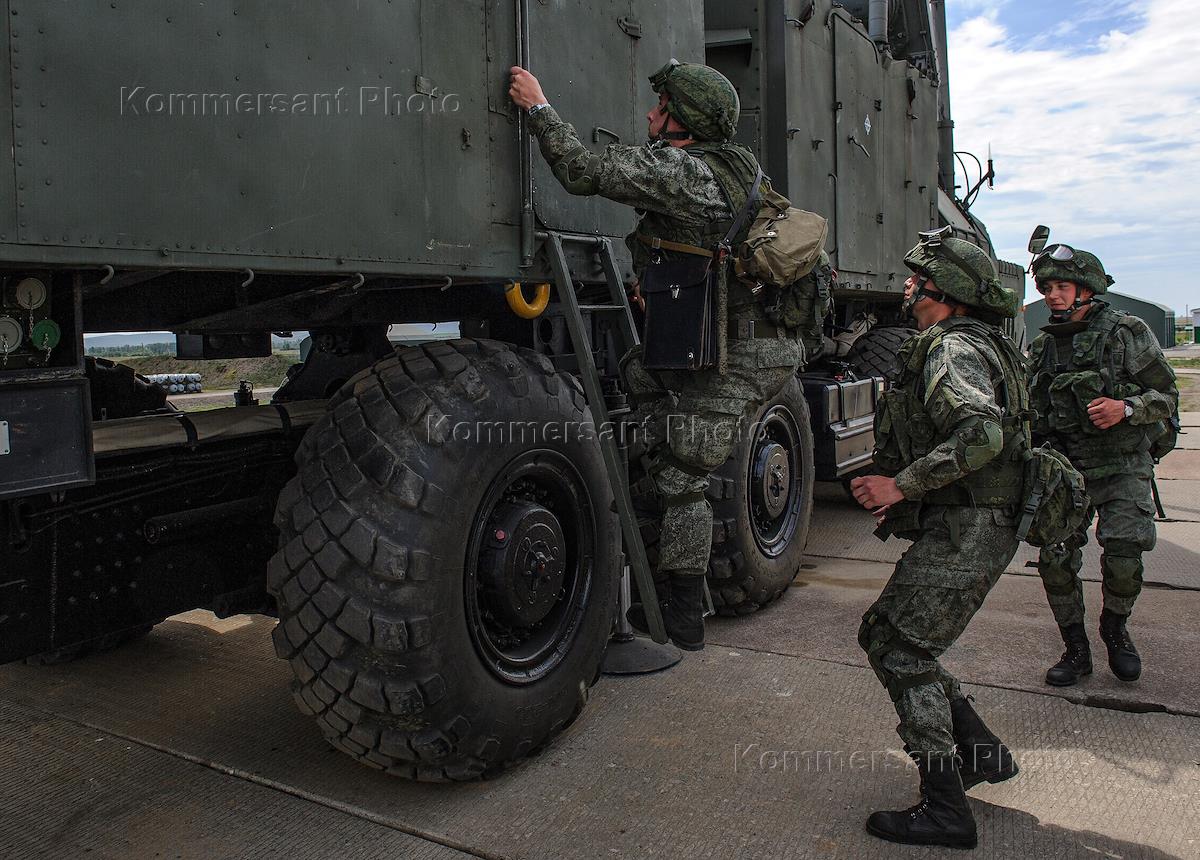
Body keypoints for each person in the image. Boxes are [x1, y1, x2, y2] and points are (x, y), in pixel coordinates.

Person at [509, 61, 805, 650]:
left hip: (737, 352)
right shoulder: (739, 167)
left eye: (662, 108)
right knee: (638, 379)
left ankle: (682, 617)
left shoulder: (685, 173)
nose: (650, 115)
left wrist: (539, 108)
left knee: (682, 479)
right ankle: (658, 570)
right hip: (744, 343)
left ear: (684, 123)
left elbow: (581, 170)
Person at [851, 230, 1024, 848]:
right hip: (971, 520)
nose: (907, 285)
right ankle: (981, 755)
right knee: (888, 635)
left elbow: (981, 437)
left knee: (901, 650)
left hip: (971, 525)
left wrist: (899, 486)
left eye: (917, 277)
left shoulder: (951, 349)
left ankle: (946, 808)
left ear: (943, 293)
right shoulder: (972, 343)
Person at [1027, 245, 1178, 685]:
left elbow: (1166, 397)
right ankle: (1075, 648)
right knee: (1055, 558)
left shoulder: (1126, 332)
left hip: (1122, 463)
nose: (1053, 295)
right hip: (1067, 469)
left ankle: (1115, 629)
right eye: (1048, 287)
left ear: (1086, 289)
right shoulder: (1042, 347)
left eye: (1062, 286)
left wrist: (1125, 409)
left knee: (1124, 555)